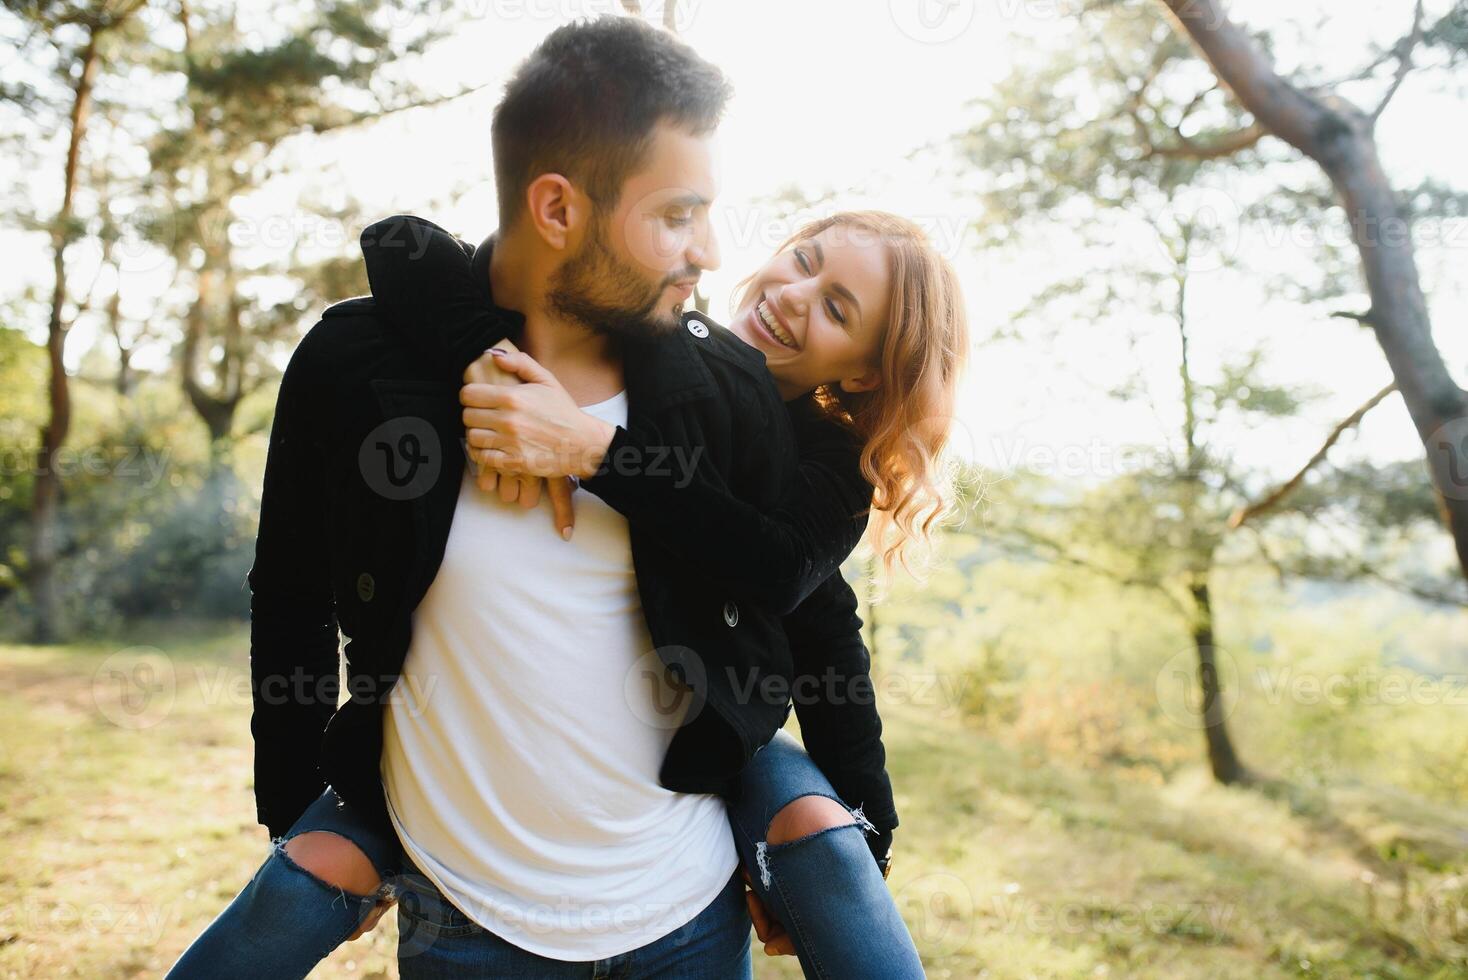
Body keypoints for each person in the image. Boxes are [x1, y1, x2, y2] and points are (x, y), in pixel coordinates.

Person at [166, 16, 964, 980]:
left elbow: (810, 606)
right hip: (464, 877)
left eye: (840, 309)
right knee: (290, 893)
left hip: (701, 811)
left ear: (870, 372)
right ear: (561, 207)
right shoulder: (402, 363)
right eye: (802, 261)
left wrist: (589, 449)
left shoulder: (783, 435)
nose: (724, 257)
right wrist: (487, 360)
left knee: (821, 831)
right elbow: (408, 251)